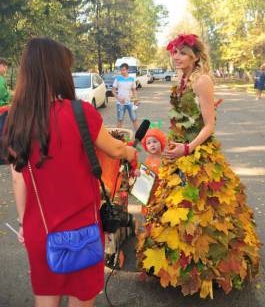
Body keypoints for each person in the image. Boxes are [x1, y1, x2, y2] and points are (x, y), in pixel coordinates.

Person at [2, 38, 136, 307]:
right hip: (83, 231)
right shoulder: (80, 112)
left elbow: (18, 177)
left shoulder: (14, 118)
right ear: (59, 71)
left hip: (40, 229)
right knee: (81, 299)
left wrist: (23, 224)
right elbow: (114, 149)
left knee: (45, 299)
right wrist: (131, 153)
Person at [136, 34, 260, 299]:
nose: (176, 57)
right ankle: (177, 266)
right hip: (178, 151)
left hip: (198, 154)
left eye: (182, 53)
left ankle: (207, 269)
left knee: (203, 208)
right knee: (174, 207)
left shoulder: (202, 81)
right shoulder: (181, 80)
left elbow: (209, 125)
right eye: (174, 53)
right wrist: (172, 143)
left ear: (195, 56)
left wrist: (188, 148)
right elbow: (181, 121)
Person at [140, 128, 167, 216]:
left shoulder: (165, 160)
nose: (152, 145)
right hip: (150, 194)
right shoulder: (147, 161)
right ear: (145, 146)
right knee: (150, 215)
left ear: (161, 142)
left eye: (155, 141)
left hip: (162, 193)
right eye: (149, 143)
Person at [112, 63, 139, 130]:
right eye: (121, 70)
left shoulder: (132, 79)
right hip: (120, 103)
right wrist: (118, 98)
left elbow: (134, 91)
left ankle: (140, 137)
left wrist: (135, 100)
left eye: (124, 70)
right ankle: (117, 137)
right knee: (120, 120)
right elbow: (113, 90)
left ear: (127, 70)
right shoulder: (117, 79)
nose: (122, 72)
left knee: (134, 119)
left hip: (130, 103)